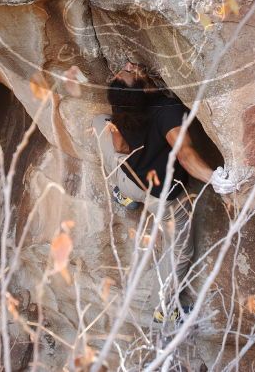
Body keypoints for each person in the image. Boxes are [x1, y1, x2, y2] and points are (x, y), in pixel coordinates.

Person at [92, 61, 239, 322]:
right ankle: (165, 308)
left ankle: (124, 195)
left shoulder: (123, 104)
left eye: (123, 70)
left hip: (132, 181)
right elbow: (185, 155)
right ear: (143, 90)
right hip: (164, 199)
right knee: (181, 252)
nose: (128, 64)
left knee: (98, 121)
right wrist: (214, 178)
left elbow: (122, 146)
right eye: (128, 72)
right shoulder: (167, 111)